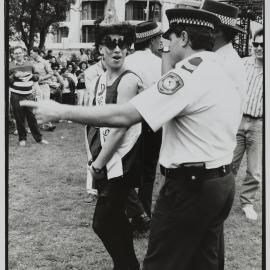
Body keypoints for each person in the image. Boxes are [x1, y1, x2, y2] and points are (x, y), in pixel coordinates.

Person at [22, 7, 243, 270]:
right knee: (204, 263)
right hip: (220, 182)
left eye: (169, 37)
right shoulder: (219, 68)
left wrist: (60, 110)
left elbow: (126, 115)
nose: (166, 44)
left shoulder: (188, 74)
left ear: (183, 38)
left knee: (160, 264)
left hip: (189, 188)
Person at [125, 21, 163, 229]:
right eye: (159, 37)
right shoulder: (159, 64)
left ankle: (134, 212)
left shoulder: (125, 61)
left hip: (127, 119)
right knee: (148, 172)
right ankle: (143, 213)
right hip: (151, 121)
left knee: (125, 168)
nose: (161, 40)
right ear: (151, 39)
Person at [232, 28, 263, 221]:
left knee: (254, 169)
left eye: (263, 45)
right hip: (237, 120)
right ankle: (221, 199)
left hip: (259, 124)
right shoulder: (242, 64)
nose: (258, 48)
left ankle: (247, 202)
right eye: (256, 44)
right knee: (228, 164)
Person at [9, 46, 48, 146]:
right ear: (13, 55)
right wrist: (14, 76)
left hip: (29, 94)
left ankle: (39, 139)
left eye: (19, 53)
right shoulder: (10, 66)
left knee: (32, 118)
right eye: (16, 53)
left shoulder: (30, 64)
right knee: (19, 118)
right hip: (16, 95)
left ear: (23, 53)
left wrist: (32, 76)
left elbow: (37, 76)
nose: (18, 55)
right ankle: (22, 139)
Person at [30, 47, 56, 131]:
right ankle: (44, 124)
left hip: (44, 85)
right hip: (35, 86)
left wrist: (42, 78)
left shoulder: (45, 62)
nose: (30, 54)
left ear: (37, 53)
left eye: (32, 53)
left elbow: (51, 73)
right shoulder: (30, 63)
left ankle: (46, 124)